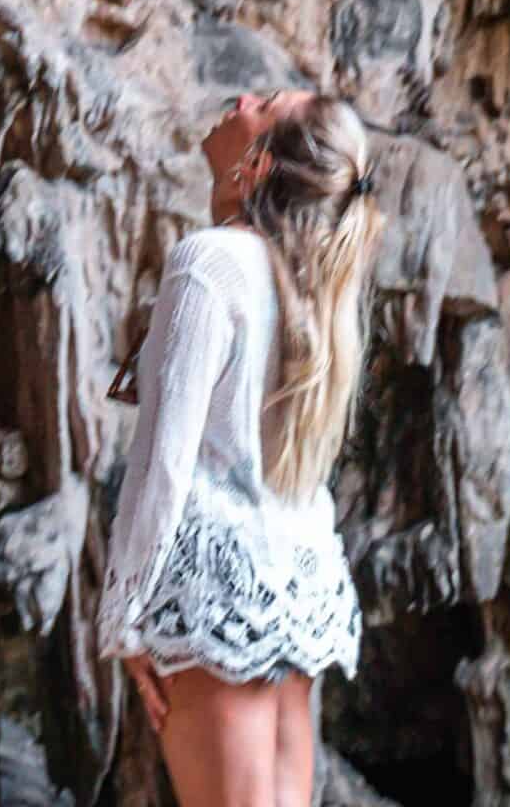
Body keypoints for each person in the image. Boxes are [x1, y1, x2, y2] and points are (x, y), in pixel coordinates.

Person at [99, 89, 386, 807]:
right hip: (297, 590)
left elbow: (163, 466)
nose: (243, 96)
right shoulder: (311, 278)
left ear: (256, 163)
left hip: (215, 602)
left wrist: (122, 621)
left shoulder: (211, 263)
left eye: (265, 104)